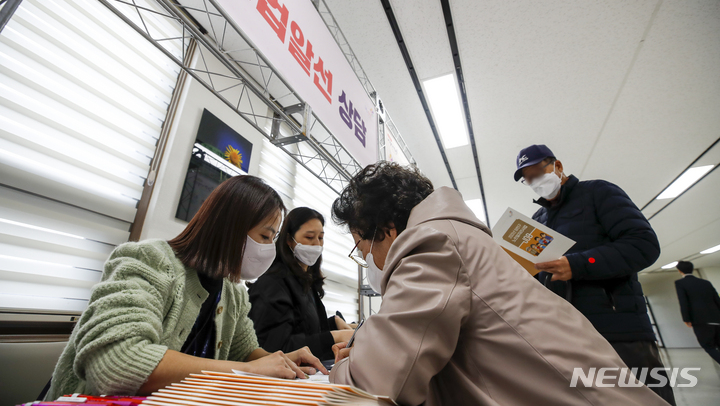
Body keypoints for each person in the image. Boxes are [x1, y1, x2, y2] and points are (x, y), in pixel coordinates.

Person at [329, 161, 670, 406]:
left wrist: (349, 362)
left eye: (362, 247)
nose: (368, 261)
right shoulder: (458, 235)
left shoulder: (431, 242)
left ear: (388, 229)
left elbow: (375, 384)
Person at [45, 175, 326, 399]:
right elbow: (118, 363)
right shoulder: (150, 261)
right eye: (265, 236)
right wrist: (247, 370)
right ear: (229, 227)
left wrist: (282, 361)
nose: (269, 248)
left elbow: (245, 351)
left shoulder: (233, 291)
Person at [514, 144, 674, 405]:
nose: (534, 182)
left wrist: (577, 264)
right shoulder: (539, 219)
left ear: (557, 166)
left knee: (646, 399)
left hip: (619, 330)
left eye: (537, 172)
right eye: (527, 179)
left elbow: (643, 245)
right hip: (568, 335)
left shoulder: (598, 192)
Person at [248, 207, 355, 361]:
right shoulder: (273, 284)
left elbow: (306, 328)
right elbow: (275, 348)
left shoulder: (305, 281)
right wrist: (334, 337)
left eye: (321, 237)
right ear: (289, 240)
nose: (317, 244)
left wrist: (334, 323)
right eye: (309, 237)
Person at [675, 261, 720, 364]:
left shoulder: (680, 283)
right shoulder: (705, 282)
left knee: (708, 346)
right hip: (717, 319)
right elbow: (717, 299)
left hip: (700, 321)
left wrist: (686, 319)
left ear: (679, 271)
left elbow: (683, 301)